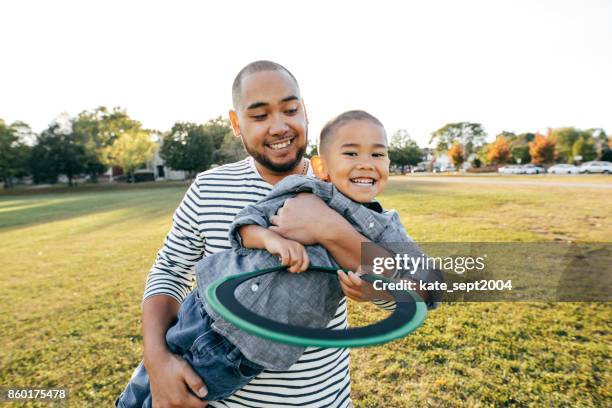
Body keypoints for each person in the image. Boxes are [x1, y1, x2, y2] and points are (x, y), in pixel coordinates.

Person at [124, 60, 434, 408]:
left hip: (319, 399)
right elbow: (168, 271)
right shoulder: (208, 189)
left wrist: (330, 230)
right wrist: (155, 360)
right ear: (235, 123)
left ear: (305, 111)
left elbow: (416, 291)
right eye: (259, 116)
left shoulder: (348, 188)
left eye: (290, 109)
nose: (279, 126)